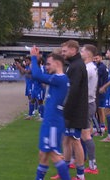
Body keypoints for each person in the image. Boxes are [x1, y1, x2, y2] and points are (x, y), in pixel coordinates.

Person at [30, 46, 70, 180]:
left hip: (53, 122)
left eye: (48, 64)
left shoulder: (60, 79)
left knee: (53, 154)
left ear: (57, 63)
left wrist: (34, 58)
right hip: (50, 121)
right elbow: (39, 77)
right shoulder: (57, 78)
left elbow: (36, 75)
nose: (46, 67)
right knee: (43, 154)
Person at [57, 40, 88, 180]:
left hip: (75, 112)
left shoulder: (77, 66)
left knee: (76, 141)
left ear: (74, 50)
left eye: (65, 51)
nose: (62, 53)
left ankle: (81, 176)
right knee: (66, 140)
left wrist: (64, 108)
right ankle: (64, 172)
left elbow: (73, 90)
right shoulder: (73, 65)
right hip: (71, 111)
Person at [80, 44, 99, 174]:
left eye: (82, 51)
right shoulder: (91, 67)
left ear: (88, 54)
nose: (80, 52)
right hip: (89, 103)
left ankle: (92, 165)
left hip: (86, 104)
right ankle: (81, 159)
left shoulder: (88, 69)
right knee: (84, 134)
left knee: (85, 135)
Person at [95, 54, 108, 135]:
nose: (95, 59)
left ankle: (102, 127)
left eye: (97, 58)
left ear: (101, 58)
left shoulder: (101, 67)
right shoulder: (102, 67)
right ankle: (99, 126)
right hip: (100, 90)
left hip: (100, 90)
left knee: (100, 109)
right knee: (98, 109)